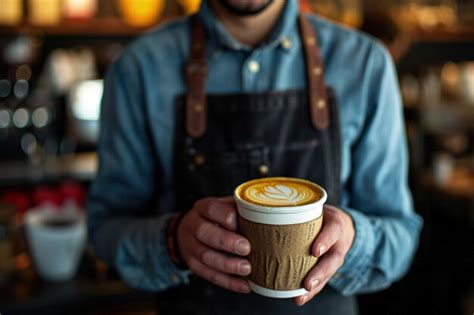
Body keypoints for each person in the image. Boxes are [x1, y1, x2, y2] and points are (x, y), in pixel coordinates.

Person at [87, 0, 423, 314]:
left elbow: (401, 237)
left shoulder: (364, 63)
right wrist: (172, 241)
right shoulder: (137, 69)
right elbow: (105, 229)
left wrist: (354, 238)